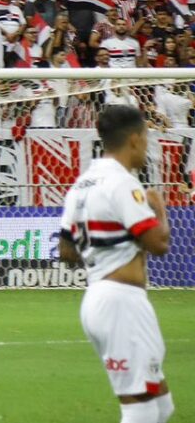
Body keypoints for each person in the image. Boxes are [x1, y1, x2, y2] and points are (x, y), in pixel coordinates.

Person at [59, 104, 173, 423]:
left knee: (162, 406)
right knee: (140, 410)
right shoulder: (124, 184)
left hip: (98, 297)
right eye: (147, 139)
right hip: (121, 303)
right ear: (135, 139)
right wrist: (158, 208)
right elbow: (158, 244)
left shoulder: (80, 186)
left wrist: (103, 248)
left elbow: (66, 251)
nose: (146, 147)